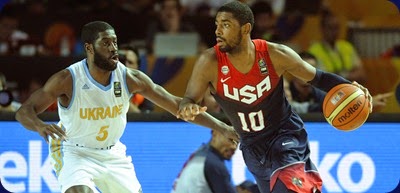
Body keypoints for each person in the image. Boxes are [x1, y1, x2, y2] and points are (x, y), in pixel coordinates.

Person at [15, 21, 238, 193]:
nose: (113, 48)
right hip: (75, 151)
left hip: (113, 154)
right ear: (89, 48)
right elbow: (23, 111)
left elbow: (178, 106)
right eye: (106, 43)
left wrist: (222, 127)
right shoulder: (67, 79)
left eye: (115, 42)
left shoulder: (130, 77)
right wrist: (39, 126)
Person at [177, 2, 373, 193]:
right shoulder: (209, 62)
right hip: (252, 147)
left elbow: (318, 78)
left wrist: (349, 87)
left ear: (245, 29)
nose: (218, 31)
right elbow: (189, 99)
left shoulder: (274, 54)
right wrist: (188, 106)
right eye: (217, 25)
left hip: (285, 135)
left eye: (226, 25)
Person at [308, 9, 367, 84]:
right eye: (330, 28)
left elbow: (362, 75)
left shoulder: (347, 46)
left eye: (336, 28)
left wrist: (339, 76)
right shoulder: (314, 50)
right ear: (322, 29)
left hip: (351, 90)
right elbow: (322, 79)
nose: (334, 32)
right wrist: (350, 75)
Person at [172, 129, 238, 193]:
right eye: (231, 140)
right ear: (215, 133)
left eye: (238, 142)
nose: (234, 147)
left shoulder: (200, 154)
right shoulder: (212, 163)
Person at [119, 43, 154, 113]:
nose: (124, 66)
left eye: (130, 62)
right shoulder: (104, 84)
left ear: (137, 67)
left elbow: (145, 120)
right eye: (121, 61)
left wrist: (121, 98)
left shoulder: (144, 88)